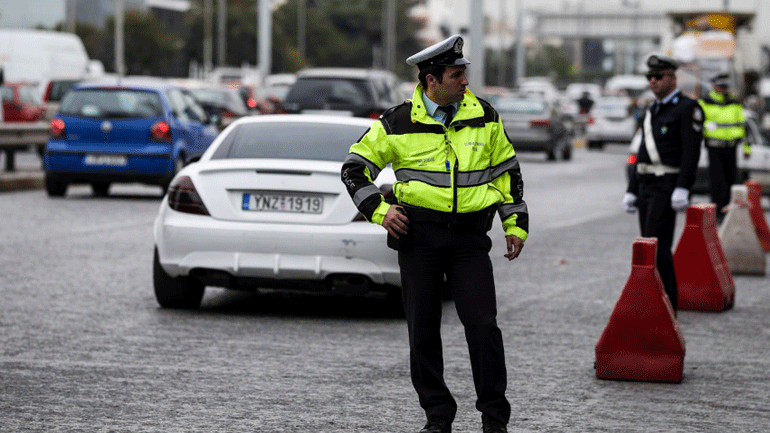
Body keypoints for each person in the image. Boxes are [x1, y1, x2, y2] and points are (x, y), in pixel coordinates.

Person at [341, 34, 528, 433]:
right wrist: (379, 210)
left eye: (463, 73)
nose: (464, 81)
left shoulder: (486, 117)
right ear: (431, 80)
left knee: (483, 327)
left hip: (470, 241)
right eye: (456, 74)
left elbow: (508, 174)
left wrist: (515, 225)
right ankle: (437, 415)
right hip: (419, 238)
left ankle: (495, 419)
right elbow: (354, 168)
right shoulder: (396, 121)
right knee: (422, 331)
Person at [623, 53, 703, 313]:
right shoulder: (652, 110)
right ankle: (656, 302)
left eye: (659, 76)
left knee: (658, 247)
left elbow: (690, 153)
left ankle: (668, 305)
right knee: (649, 243)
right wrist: (632, 189)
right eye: (650, 77)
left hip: (666, 185)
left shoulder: (687, 108)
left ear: (673, 78)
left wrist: (683, 187)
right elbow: (643, 153)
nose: (653, 81)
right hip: (646, 184)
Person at [698, 73, 749, 223]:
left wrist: (747, 149)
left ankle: (728, 211)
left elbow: (743, 128)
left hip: (731, 147)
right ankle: (717, 212)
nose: (723, 89)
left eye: (725, 86)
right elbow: (696, 126)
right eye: (720, 86)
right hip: (714, 148)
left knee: (731, 180)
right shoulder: (705, 103)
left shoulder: (735, 104)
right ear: (714, 86)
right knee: (717, 181)